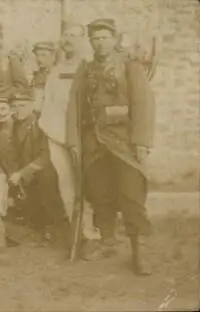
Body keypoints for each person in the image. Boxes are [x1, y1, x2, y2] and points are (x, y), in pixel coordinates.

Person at [65, 18, 155, 276]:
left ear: (114, 39)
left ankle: (141, 250)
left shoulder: (129, 66)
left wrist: (142, 141)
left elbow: (143, 103)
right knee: (100, 193)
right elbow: (75, 105)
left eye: (105, 37)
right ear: (90, 42)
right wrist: (74, 140)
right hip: (94, 142)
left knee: (131, 195)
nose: (100, 43)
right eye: (95, 38)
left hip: (123, 142)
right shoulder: (87, 69)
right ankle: (107, 240)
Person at [38, 23, 91, 235]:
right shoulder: (57, 70)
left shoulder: (88, 67)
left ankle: (91, 231)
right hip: (57, 135)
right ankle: (76, 230)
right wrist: (49, 130)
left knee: (86, 184)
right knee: (66, 184)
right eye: (66, 35)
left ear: (82, 39)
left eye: (74, 36)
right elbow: (48, 102)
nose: (68, 39)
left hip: (81, 135)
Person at [9, 93, 71, 250]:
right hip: (28, 170)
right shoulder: (15, 125)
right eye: (14, 106)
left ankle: (56, 226)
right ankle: (40, 224)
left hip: (46, 168)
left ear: (31, 106)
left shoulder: (41, 124)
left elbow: (46, 155)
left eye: (22, 106)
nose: (18, 110)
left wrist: (22, 173)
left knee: (47, 179)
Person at [30, 41, 57, 114]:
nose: (39, 59)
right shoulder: (36, 76)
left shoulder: (58, 74)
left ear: (53, 57)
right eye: (37, 55)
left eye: (43, 55)